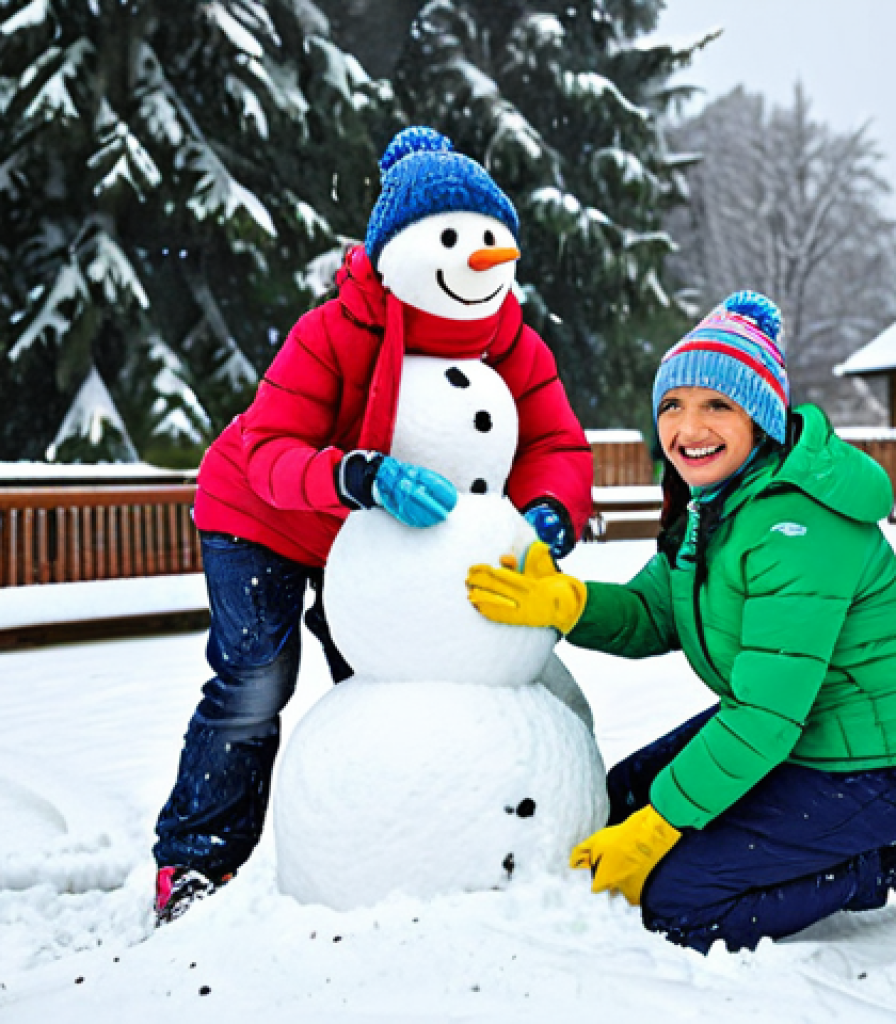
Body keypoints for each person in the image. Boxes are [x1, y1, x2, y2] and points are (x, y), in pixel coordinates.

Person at [466, 290, 896, 954]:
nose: (689, 428)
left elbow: (762, 719)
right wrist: (568, 603)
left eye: (717, 405)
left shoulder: (795, 526)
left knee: (680, 902)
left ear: (762, 418)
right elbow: (652, 612)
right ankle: (844, 843)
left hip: (895, 759)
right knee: (623, 799)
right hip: (805, 727)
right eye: (673, 406)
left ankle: (884, 859)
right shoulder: (715, 506)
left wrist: (663, 827)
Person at [153, 127, 593, 924]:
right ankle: (195, 862)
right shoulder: (334, 331)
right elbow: (269, 449)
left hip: (379, 547)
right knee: (257, 683)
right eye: (456, 239)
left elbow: (556, 441)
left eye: (493, 239)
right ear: (402, 251)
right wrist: (356, 475)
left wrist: (550, 510)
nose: (481, 258)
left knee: (383, 690)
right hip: (265, 517)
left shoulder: (514, 345)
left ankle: (385, 850)